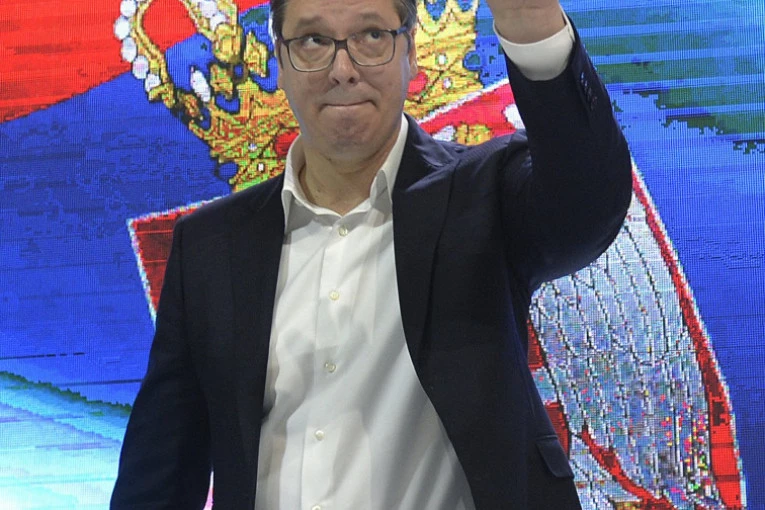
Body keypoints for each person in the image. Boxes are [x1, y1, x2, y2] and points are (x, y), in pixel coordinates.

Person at [111, 0, 632, 508]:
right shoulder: (210, 245)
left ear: (411, 51)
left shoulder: (483, 195)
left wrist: (532, 25)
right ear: (281, 61)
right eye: (313, 40)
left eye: (372, 36)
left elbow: (586, 207)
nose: (343, 69)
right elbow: (159, 475)